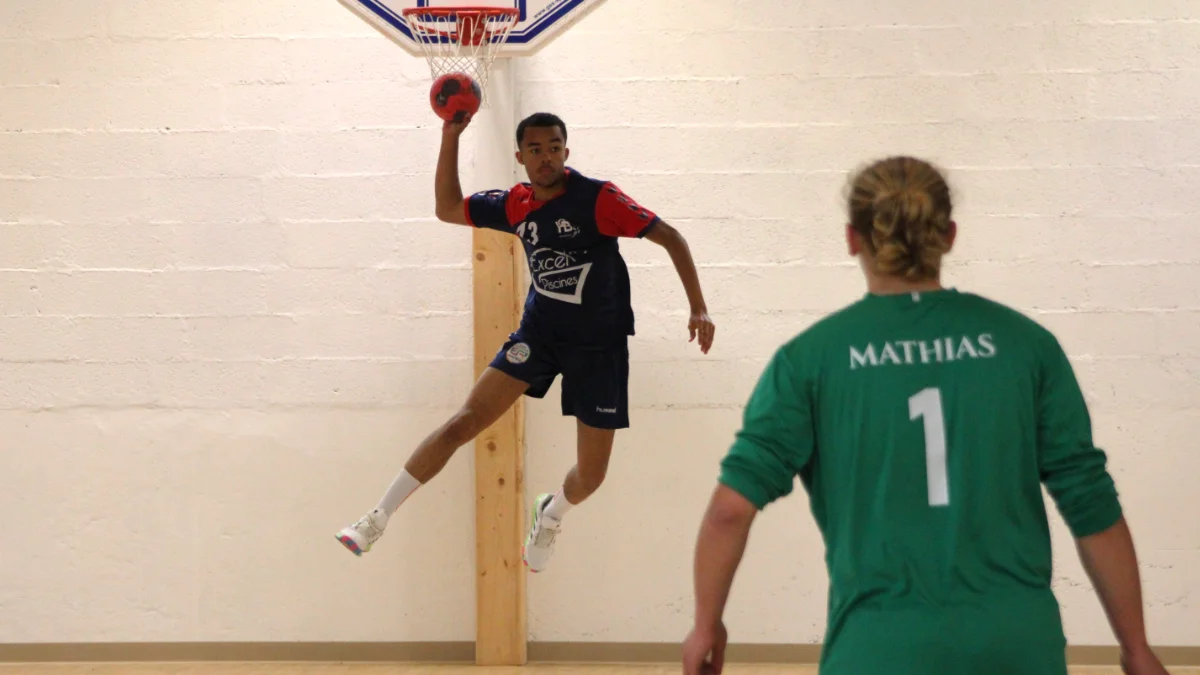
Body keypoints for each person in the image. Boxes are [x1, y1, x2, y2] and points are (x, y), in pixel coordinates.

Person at [682, 156, 1170, 675]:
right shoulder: (1028, 346)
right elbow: (1090, 501)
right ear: (949, 236)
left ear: (852, 238)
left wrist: (707, 623)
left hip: (876, 651)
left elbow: (729, 511)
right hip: (1017, 647)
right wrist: (1136, 647)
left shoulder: (808, 360)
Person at [335, 111, 715, 573]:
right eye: (535, 150)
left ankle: (551, 513)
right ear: (521, 157)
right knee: (463, 423)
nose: (546, 157)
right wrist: (450, 134)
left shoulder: (598, 199)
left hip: (598, 348)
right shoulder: (516, 204)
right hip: (539, 337)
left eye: (554, 148)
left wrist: (698, 307)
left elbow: (670, 237)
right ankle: (376, 518)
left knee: (591, 476)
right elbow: (447, 208)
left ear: (566, 151)